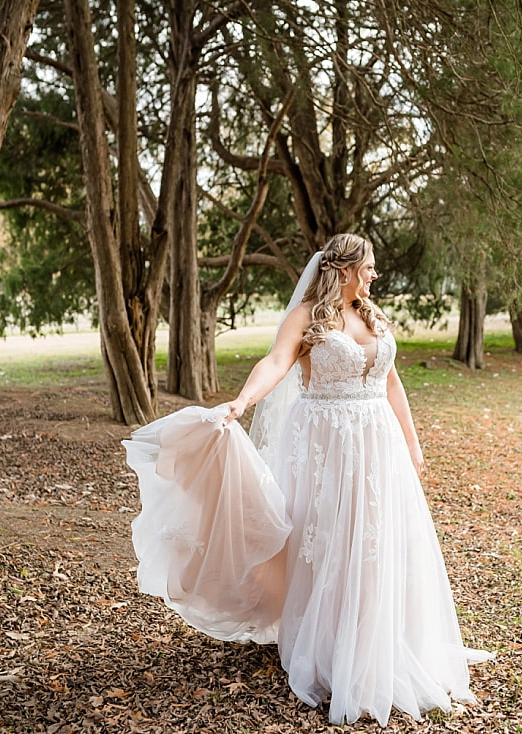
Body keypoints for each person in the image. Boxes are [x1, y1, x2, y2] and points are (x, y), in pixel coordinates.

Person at [123, 234, 490, 726]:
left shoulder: (371, 314)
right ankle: (330, 645)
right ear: (343, 269)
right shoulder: (306, 319)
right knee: (330, 539)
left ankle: (377, 637)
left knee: (377, 539)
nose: (374, 276)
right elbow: (276, 363)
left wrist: (413, 441)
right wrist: (241, 402)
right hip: (326, 445)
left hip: (378, 444)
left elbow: (391, 379)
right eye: (369, 268)